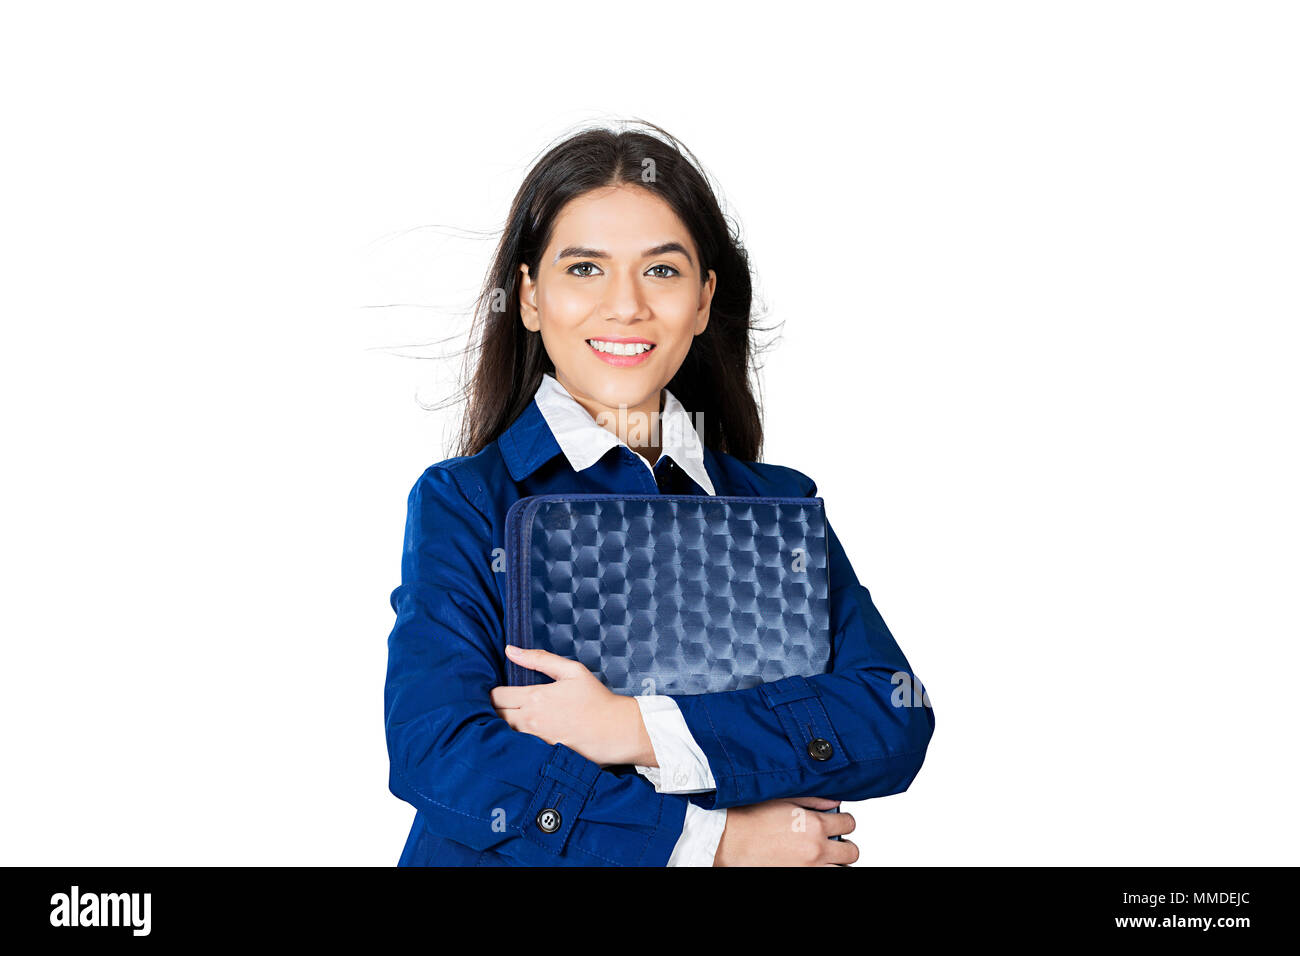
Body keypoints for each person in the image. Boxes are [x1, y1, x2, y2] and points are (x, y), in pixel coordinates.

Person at [384, 121, 935, 866]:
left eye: (663, 271)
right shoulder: (466, 501)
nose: (625, 306)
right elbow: (441, 749)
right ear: (530, 296)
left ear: (704, 300)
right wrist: (713, 841)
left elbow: (892, 715)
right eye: (584, 269)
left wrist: (630, 726)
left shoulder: (777, 506)